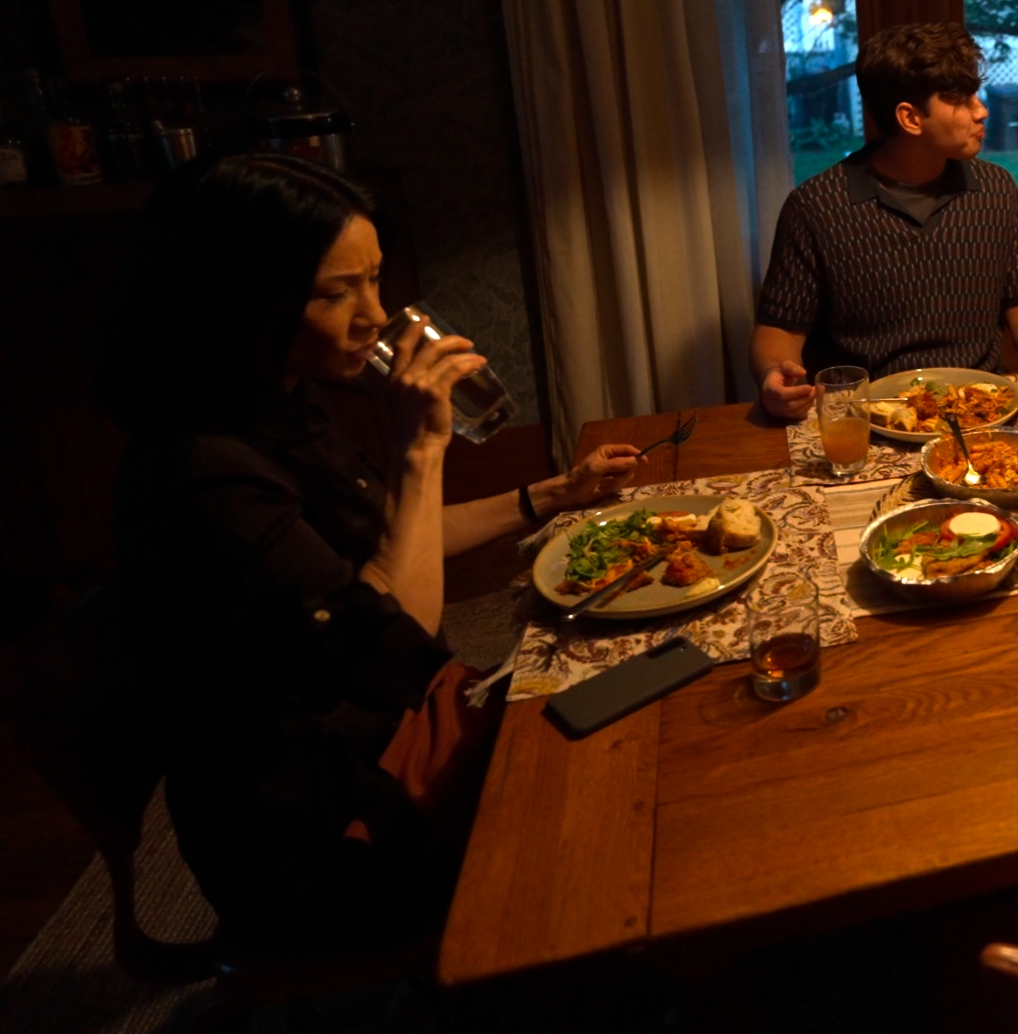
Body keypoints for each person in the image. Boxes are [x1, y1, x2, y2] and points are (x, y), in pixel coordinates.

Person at [98, 154, 639, 953]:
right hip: (315, 827)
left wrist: (550, 496)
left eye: (375, 280)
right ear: (238, 300)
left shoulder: (281, 396)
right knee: (602, 817)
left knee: (625, 687)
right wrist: (422, 449)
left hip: (387, 728)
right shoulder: (202, 473)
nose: (374, 316)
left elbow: (391, 542)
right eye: (333, 294)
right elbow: (394, 634)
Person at [754, 23, 1018, 419]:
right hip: (867, 415)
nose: (981, 110)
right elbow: (779, 331)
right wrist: (774, 375)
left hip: (979, 408)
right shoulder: (816, 206)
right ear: (910, 118)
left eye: (976, 94)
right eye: (960, 99)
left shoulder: (995, 189)